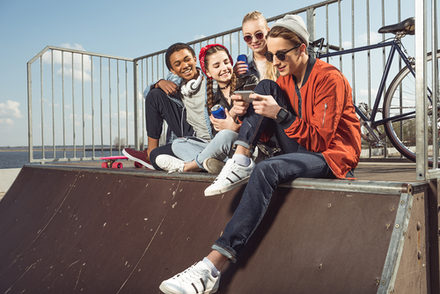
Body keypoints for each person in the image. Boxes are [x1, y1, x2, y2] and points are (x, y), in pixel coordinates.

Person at [158, 14, 361, 294]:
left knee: (268, 169)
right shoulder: (286, 80)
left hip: (331, 156)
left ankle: (211, 268)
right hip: (300, 147)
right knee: (264, 88)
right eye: (271, 55)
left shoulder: (329, 78)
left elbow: (319, 140)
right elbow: (270, 131)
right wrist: (248, 114)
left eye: (280, 55)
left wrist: (279, 113)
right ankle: (240, 159)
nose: (275, 62)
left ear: (302, 48)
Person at [155, 44, 258, 174]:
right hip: (225, 150)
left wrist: (234, 127)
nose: (224, 68)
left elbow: (257, 123)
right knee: (178, 144)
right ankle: (221, 165)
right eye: (217, 66)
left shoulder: (247, 81)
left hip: (248, 146)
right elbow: (215, 135)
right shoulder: (213, 97)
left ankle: (188, 166)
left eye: (226, 62)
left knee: (226, 135)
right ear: (208, 72)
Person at [122, 43, 212, 168]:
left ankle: (197, 162)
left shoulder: (210, 79)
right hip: (187, 135)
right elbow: (147, 95)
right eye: (178, 64)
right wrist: (158, 83)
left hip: (210, 138)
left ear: (195, 59)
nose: (185, 66)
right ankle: (150, 153)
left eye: (187, 60)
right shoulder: (176, 82)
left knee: (161, 159)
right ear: (172, 70)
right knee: (155, 95)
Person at [235, 11, 278, 81]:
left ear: (268, 31)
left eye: (259, 34)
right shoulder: (243, 66)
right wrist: (233, 77)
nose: (254, 40)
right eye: (248, 37)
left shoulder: (280, 58)